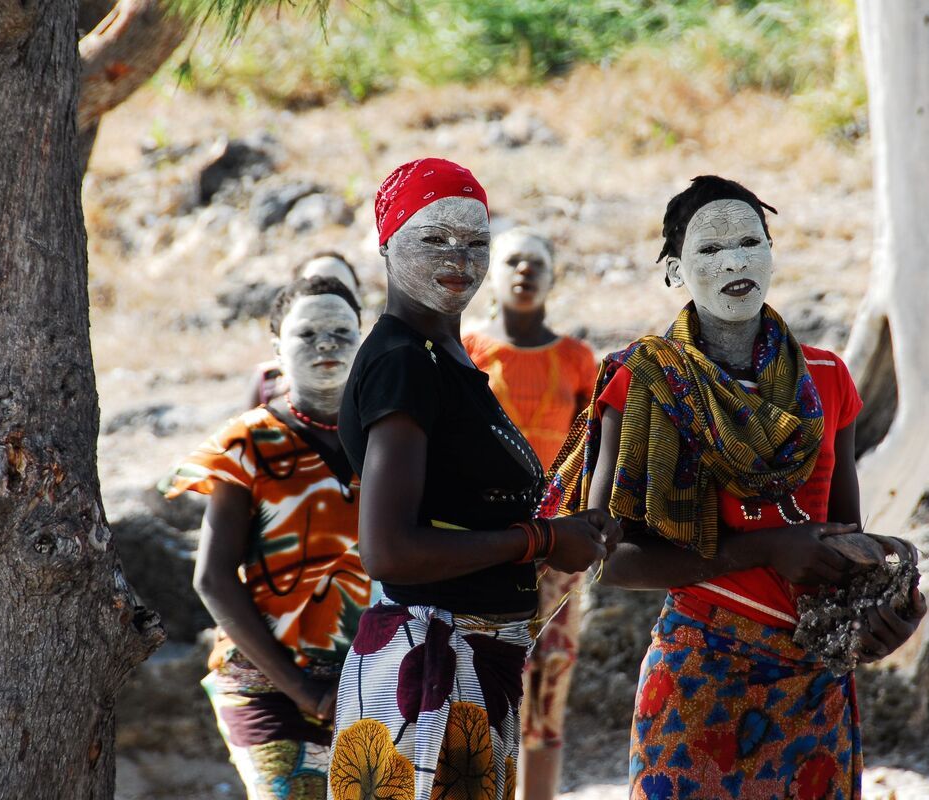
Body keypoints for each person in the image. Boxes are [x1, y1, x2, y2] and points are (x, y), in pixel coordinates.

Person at [543, 176, 925, 798]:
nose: (735, 261)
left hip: (814, 681)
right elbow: (607, 561)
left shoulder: (827, 379)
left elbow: (843, 542)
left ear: (773, 252)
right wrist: (765, 549)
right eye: (709, 250)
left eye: (751, 241)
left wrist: (889, 615)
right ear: (674, 272)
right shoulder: (643, 382)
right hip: (699, 682)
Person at [329, 158, 621, 800]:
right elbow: (389, 550)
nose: (458, 256)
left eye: (475, 241)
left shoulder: (448, 358)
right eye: (433, 237)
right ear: (388, 242)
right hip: (427, 672)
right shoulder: (405, 361)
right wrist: (542, 541)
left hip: (468, 669)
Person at [166, 275, 368, 799]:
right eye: (307, 333)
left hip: (372, 680)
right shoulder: (247, 443)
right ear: (276, 345)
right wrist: (303, 689)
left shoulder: (392, 438)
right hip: (266, 683)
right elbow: (211, 577)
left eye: (342, 332)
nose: (326, 344)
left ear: (364, 339)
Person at [463, 227, 595, 800]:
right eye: (512, 260)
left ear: (552, 276)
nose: (524, 270)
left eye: (536, 262)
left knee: (548, 682)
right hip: (483, 542)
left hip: (558, 543)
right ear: (492, 274)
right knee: (482, 681)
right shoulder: (468, 350)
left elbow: (592, 449)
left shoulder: (576, 359)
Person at [247, 252, 364, 409]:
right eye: (315, 285)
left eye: (342, 287)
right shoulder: (268, 380)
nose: (328, 294)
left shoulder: (385, 370)